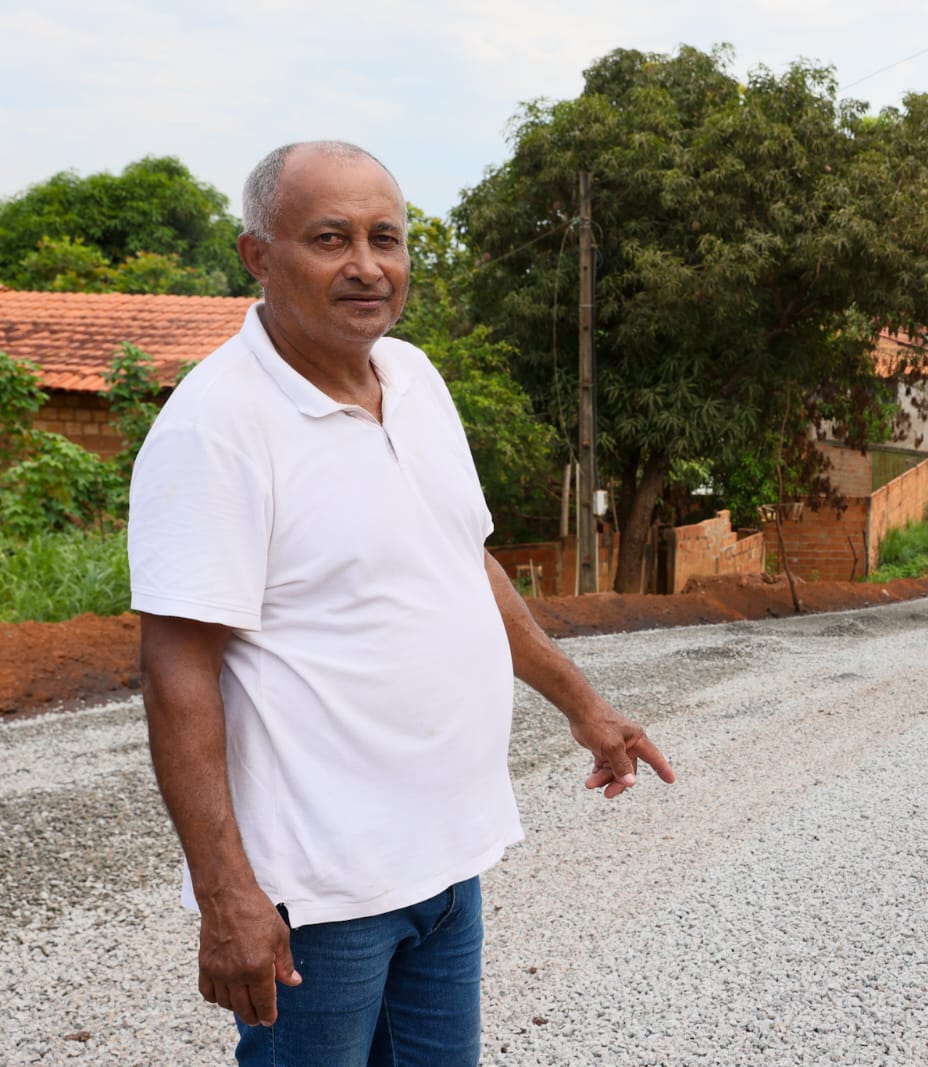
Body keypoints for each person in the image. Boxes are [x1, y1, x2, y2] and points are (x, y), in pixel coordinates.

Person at [128, 141, 675, 1065]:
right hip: (322, 895)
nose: (366, 266)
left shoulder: (415, 378)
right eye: (329, 239)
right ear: (258, 256)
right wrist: (226, 895)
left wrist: (585, 706)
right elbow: (176, 668)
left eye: (385, 238)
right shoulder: (215, 427)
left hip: (447, 864)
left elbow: (466, 563)